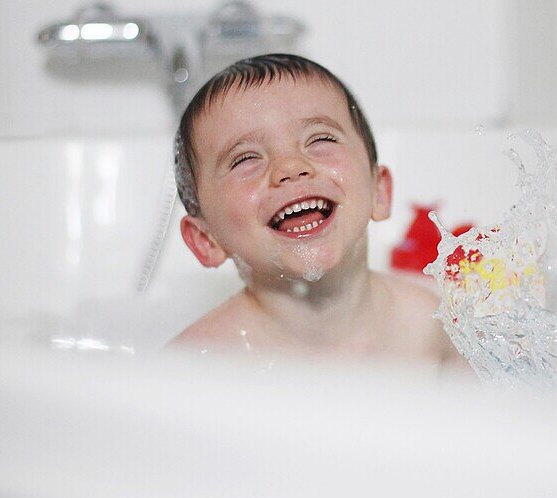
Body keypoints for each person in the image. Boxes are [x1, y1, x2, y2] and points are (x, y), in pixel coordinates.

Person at [169, 53, 464, 368]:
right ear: (206, 240)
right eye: (245, 159)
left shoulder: (432, 325)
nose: (291, 167)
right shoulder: (197, 365)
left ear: (378, 192)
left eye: (320, 139)